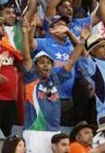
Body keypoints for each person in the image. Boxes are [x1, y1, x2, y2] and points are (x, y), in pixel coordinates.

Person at [19, 16, 84, 152]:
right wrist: (25, 34)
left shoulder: (55, 79)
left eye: (49, 63)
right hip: (34, 131)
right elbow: (26, 56)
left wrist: (82, 40)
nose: (46, 65)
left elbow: (72, 59)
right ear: (35, 66)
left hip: (54, 132)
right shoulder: (30, 77)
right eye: (42, 62)